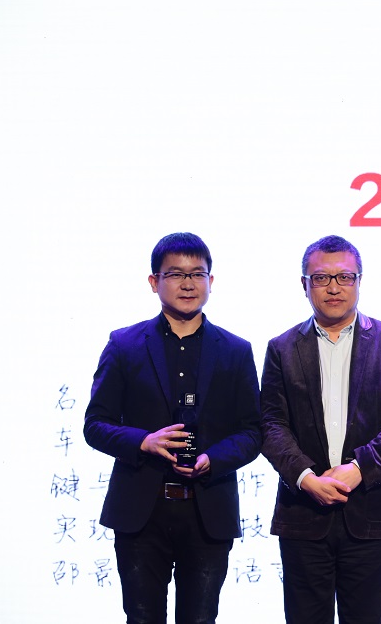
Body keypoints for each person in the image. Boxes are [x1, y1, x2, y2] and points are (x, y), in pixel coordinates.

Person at [83, 232, 261, 624]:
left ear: (211, 281)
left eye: (197, 274)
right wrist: (143, 442)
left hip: (208, 510)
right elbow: (95, 424)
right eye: (176, 274)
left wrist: (213, 459)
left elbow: (253, 431)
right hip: (140, 511)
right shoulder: (124, 344)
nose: (188, 284)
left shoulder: (235, 350)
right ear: (154, 282)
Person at [260, 234, 381, 624]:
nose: (333, 287)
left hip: (372, 511)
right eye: (321, 278)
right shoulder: (282, 348)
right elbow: (271, 423)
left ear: (359, 281)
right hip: (304, 513)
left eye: (344, 277)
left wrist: (359, 469)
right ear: (304, 285)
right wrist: (306, 477)